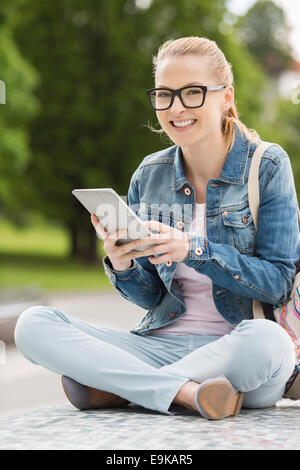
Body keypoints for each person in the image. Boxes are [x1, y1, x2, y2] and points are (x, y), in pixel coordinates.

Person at [14, 36, 299, 420]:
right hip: (161, 344)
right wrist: (123, 266)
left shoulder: (267, 165)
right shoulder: (149, 175)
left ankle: (130, 386)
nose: (176, 108)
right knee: (34, 324)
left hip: (238, 348)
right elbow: (152, 299)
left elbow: (279, 282)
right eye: (164, 95)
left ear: (226, 97)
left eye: (193, 93)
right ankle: (187, 393)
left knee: (269, 343)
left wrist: (194, 250)